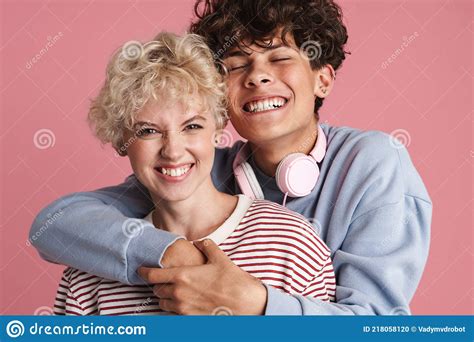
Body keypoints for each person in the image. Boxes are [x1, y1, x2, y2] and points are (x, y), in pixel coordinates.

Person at [31, 0, 432, 315]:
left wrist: (254, 304)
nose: (257, 76)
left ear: (323, 78)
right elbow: (58, 224)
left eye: (279, 58)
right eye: (236, 65)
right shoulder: (195, 169)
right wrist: (170, 252)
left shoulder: (372, 162)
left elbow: (379, 325)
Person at [53, 32, 336, 315]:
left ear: (217, 129)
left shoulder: (292, 244)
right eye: (148, 131)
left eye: (192, 127)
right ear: (120, 141)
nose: (173, 151)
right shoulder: (90, 274)